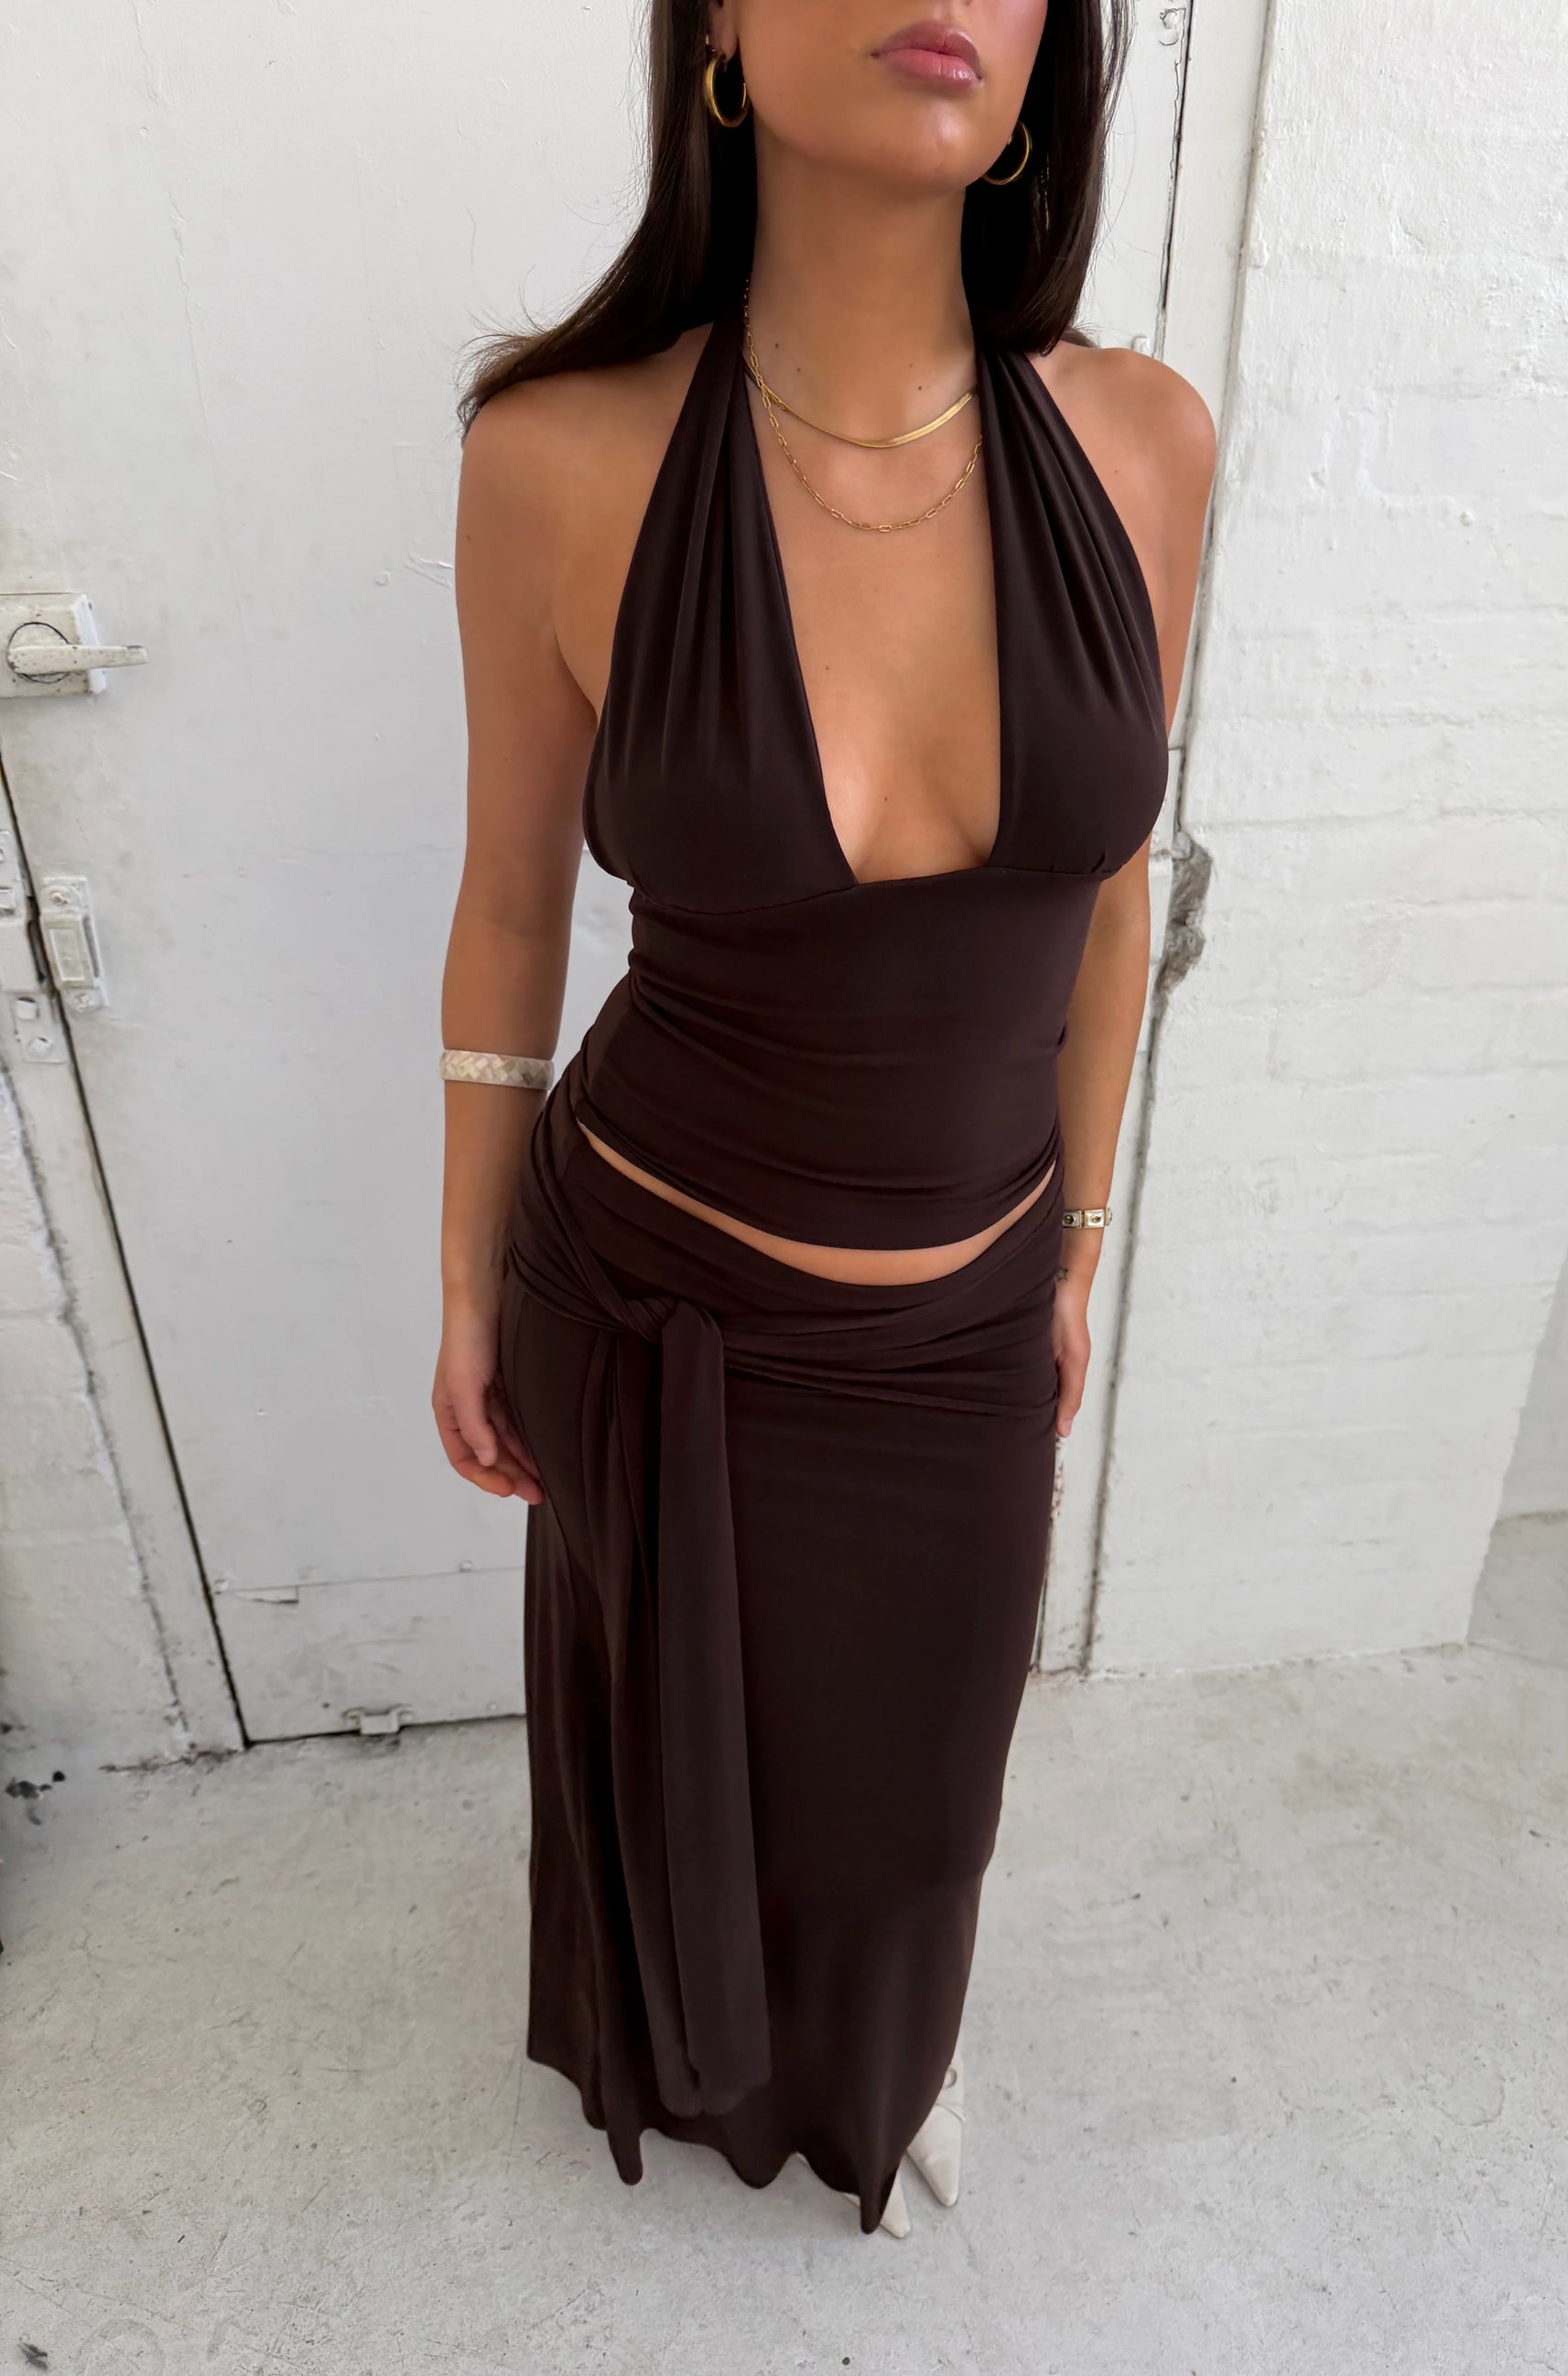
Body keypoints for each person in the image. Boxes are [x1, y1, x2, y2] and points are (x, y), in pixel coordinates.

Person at [433, 0, 1215, 2239]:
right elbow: (510, 906)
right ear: (715, 31)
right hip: (645, 1285)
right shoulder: (558, 454)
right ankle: (684, 2042)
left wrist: (1077, 1242)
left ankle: (873, 2053)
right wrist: (465, 1280)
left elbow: (1112, 896)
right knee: (678, 1732)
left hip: (961, 1306)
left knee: (915, 1793)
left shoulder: (1143, 441)